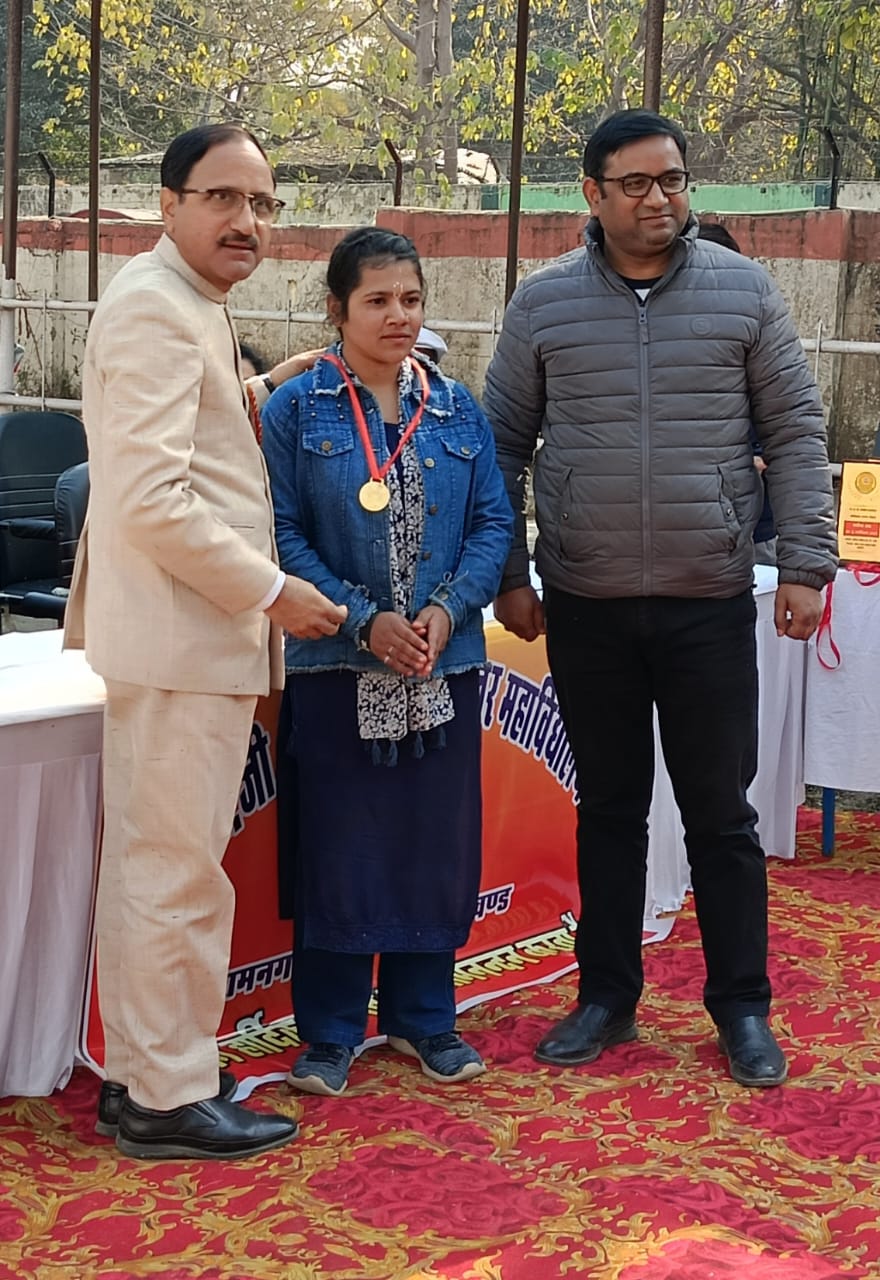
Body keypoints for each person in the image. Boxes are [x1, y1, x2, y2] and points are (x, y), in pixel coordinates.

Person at [483, 109, 837, 1088]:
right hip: (586, 601)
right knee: (608, 808)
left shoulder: (743, 291)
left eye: (672, 180)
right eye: (635, 183)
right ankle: (606, 996)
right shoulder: (543, 302)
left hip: (706, 600)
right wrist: (508, 573)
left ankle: (742, 1006)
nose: (658, 199)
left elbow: (795, 432)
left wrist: (805, 564)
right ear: (591, 194)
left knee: (721, 814)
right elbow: (498, 445)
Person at [64, 123, 347, 1159]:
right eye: (223, 198)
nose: (247, 222)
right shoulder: (156, 305)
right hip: (183, 637)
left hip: (185, 637)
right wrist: (274, 592)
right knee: (173, 874)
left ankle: (151, 1069)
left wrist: (260, 391)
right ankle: (164, 1094)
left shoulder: (184, 301)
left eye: (263, 204)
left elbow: (185, 443)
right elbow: (150, 497)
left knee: (167, 866)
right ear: (169, 203)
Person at [261, 226, 513, 1097]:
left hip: (443, 666)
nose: (398, 316)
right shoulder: (296, 412)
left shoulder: (456, 408)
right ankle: (330, 1033)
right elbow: (279, 533)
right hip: (336, 668)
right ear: (337, 309)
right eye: (377, 300)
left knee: (431, 844)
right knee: (340, 847)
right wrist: (363, 622)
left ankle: (425, 1019)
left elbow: (493, 523)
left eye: (410, 299)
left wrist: (447, 610)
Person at [696, 221, 777, 564]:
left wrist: (756, 459)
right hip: (680, 533)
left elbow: (790, 428)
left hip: (754, 526)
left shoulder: (758, 334)